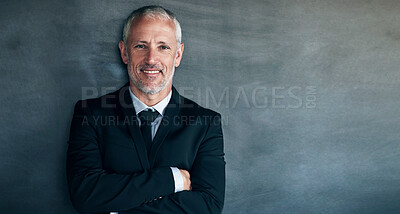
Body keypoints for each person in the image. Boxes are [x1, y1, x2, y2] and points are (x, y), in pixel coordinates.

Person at [66, 5, 225, 214]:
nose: (151, 59)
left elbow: (208, 205)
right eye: (141, 46)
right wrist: (173, 179)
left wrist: (117, 205)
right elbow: (86, 195)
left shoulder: (206, 123)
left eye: (163, 47)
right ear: (124, 52)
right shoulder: (90, 114)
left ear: (178, 55)